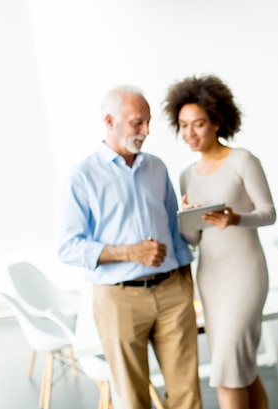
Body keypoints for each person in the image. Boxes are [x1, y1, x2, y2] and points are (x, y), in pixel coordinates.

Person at [57, 86, 202, 409]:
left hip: (173, 293)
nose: (146, 131)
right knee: (133, 399)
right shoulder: (81, 177)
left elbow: (174, 230)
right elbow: (68, 247)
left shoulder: (157, 167)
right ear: (110, 121)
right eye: (138, 122)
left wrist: (185, 281)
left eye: (148, 122)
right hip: (118, 299)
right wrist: (128, 252)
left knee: (188, 396)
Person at [163, 75, 276, 409]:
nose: (190, 133)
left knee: (227, 369)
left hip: (245, 275)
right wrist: (189, 218)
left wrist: (235, 218)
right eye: (183, 125)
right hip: (210, 277)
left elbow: (269, 213)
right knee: (240, 366)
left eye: (198, 124)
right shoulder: (186, 174)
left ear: (216, 121)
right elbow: (192, 239)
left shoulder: (242, 160)